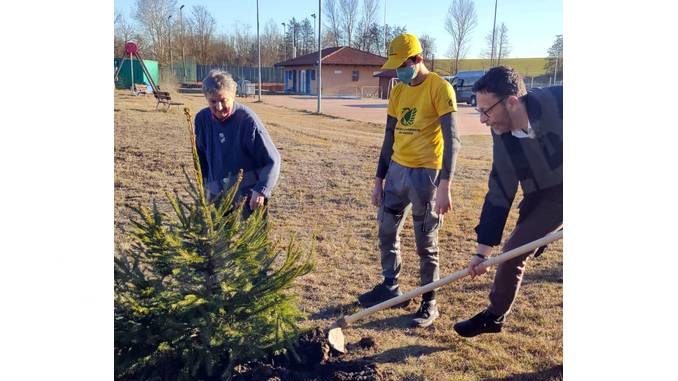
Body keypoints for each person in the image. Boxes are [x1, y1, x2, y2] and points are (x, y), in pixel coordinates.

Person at [357, 33, 461, 328]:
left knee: (425, 242)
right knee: (386, 231)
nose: (399, 72)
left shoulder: (440, 88)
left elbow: (452, 140)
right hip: (397, 173)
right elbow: (389, 136)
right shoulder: (398, 91)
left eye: (403, 65)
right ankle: (391, 286)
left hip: (426, 176)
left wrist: (445, 185)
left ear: (418, 59)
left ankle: (430, 302)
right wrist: (379, 178)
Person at [453, 66, 563, 337]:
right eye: (479, 111)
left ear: (512, 101)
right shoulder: (501, 131)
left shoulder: (562, 104)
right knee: (512, 252)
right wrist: (482, 252)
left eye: (486, 111)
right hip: (547, 196)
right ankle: (494, 316)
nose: (482, 120)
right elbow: (500, 187)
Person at [194, 69, 281, 218]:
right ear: (206, 98)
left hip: (248, 196)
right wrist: (205, 186)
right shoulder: (202, 120)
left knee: (250, 240)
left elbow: (273, 160)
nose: (218, 107)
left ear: (233, 96)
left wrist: (260, 190)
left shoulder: (247, 121)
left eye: (223, 100)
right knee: (219, 240)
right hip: (217, 194)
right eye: (213, 101)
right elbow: (200, 156)